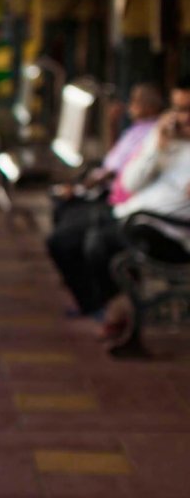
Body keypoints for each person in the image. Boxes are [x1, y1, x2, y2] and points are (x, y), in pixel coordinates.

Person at [47, 79, 190, 344]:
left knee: (96, 242)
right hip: (133, 212)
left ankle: (117, 309)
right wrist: (157, 146)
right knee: (63, 237)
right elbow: (131, 182)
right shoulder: (168, 140)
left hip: (167, 231)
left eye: (189, 110)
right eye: (179, 109)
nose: (183, 118)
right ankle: (102, 305)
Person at [47, 82, 163, 229]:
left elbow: (116, 170)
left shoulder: (152, 132)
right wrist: (112, 124)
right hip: (102, 185)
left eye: (135, 101)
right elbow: (114, 157)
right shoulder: (136, 128)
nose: (130, 105)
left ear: (150, 107)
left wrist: (79, 189)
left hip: (111, 193)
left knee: (67, 218)